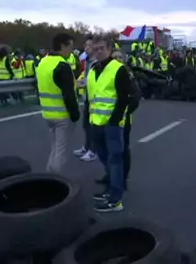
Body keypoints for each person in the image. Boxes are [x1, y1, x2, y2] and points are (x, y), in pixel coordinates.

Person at [88, 36, 132, 213]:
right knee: (105, 158)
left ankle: (116, 199)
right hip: (96, 122)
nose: (98, 52)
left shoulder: (118, 69)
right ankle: (110, 190)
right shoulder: (93, 69)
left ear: (109, 49)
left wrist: (114, 120)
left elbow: (124, 97)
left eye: (101, 49)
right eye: (95, 48)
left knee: (115, 160)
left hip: (112, 124)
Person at [36, 33, 79, 173]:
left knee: (55, 148)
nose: (71, 51)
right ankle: (54, 181)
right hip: (62, 114)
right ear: (63, 45)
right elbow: (68, 94)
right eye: (70, 47)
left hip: (47, 113)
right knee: (60, 151)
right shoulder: (62, 65)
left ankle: (49, 175)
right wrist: (75, 114)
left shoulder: (43, 62)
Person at [74, 36, 98, 162]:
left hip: (95, 99)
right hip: (87, 97)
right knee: (86, 125)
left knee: (93, 126)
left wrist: (86, 83)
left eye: (89, 45)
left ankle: (93, 150)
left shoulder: (97, 62)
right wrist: (82, 81)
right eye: (85, 45)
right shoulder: (87, 61)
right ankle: (87, 147)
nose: (86, 48)